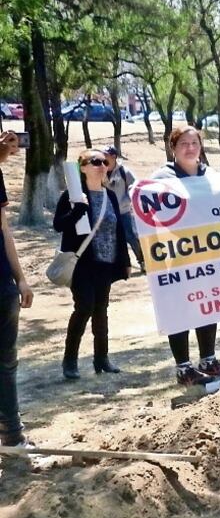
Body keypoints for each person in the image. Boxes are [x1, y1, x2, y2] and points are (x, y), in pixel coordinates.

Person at [151, 127, 220, 387]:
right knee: (180, 309)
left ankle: (208, 359)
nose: (190, 148)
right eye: (183, 143)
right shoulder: (161, 178)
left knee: (208, 303)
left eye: (194, 142)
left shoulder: (210, 176)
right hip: (175, 255)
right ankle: (183, 368)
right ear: (173, 147)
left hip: (208, 253)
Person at [53, 149, 131, 379]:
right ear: (83, 167)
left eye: (104, 162)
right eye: (94, 161)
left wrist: (125, 261)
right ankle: (70, 361)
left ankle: (102, 359)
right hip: (81, 263)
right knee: (84, 307)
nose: (100, 165)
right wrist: (78, 209)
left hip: (106, 263)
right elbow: (59, 225)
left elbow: (119, 230)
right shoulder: (72, 195)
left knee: (101, 311)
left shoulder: (110, 196)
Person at [0, 131, 34, 447]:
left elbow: (3, 228)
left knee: (7, 361)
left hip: (2, 285)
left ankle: (12, 435)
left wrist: (20, 277)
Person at [102, 145, 144, 273]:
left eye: (106, 155)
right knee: (110, 239)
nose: (103, 158)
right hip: (106, 213)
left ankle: (143, 261)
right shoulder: (99, 170)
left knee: (130, 237)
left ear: (114, 156)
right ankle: (119, 265)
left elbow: (135, 188)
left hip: (123, 211)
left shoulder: (124, 172)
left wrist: (128, 201)